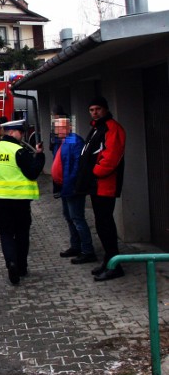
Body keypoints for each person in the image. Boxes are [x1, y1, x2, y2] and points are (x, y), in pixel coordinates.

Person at [0, 119, 46, 285]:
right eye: (20, 132)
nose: (23, 135)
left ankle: (11, 262)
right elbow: (32, 172)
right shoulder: (19, 151)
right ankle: (21, 267)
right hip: (20, 200)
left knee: (5, 233)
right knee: (21, 233)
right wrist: (40, 157)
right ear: (12, 132)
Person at [75, 96, 126, 281]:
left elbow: (111, 157)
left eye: (98, 109)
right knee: (102, 224)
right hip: (97, 186)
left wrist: (94, 173)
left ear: (105, 109)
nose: (94, 112)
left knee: (105, 225)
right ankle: (109, 260)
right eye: (91, 110)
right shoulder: (97, 128)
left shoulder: (112, 128)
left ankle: (115, 265)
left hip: (105, 185)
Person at [51, 115, 97, 264]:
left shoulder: (74, 140)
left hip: (73, 187)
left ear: (69, 127)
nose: (59, 130)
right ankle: (76, 246)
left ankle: (88, 251)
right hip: (64, 187)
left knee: (77, 218)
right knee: (69, 217)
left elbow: (78, 165)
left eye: (62, 127)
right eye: (57, 127)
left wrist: (73, 185)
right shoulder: (64, 141)